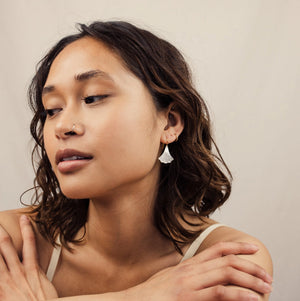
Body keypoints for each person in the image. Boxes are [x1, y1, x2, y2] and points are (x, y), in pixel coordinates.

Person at [0, 21, 272, 300]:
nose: (62, 126)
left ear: (169, 122)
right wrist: (146, 295)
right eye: (52, 110)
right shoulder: (13, 240)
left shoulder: (230, 260)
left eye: (93, 98)